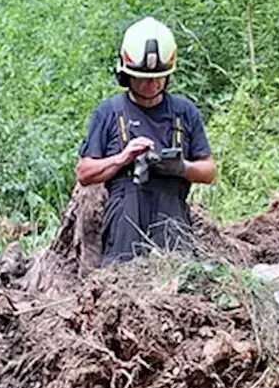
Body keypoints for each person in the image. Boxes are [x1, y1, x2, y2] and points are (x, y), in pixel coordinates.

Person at [76, 17, 216, 266]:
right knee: (122, 285)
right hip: (124, 221)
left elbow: (209, 171)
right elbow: (85, 173)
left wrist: (182, 167)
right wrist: (123, 158)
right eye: (143, 78)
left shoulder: (184, 113)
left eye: (158, 78)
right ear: (126, 75)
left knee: (178, 281)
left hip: (173, 219)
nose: (152, 85)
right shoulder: (108, 113)